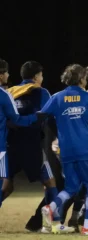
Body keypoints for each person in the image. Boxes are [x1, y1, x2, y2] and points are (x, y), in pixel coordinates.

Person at [40, 64, 88, 235]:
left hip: (66, 150)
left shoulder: (57, 97)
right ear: (82, 79)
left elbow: (41, 116)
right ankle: (86, 227)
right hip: (86, 148)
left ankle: (51, 207)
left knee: (71, 186)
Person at [0, 58, 40, 208]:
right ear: (1, 75)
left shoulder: (8, 93)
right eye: (6, 73)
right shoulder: (4, 95)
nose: (8, 75)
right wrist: (36, 117)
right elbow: (17, 119)